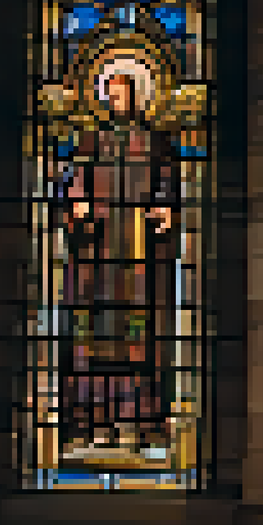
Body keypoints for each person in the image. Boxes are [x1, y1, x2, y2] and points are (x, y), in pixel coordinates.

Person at [59, 66, 176, 462]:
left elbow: (166, 183)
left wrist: (163, 206)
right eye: (111, 93)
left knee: (138, 339)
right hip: (99, 256)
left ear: (137, 97)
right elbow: (76, 182)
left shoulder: (155, 142)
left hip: (137, 258)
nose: (116, 100)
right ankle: (95, 421)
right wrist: (79, 203)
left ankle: (135, 423)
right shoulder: (91, 142)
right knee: (93, 338)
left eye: (122, 93)